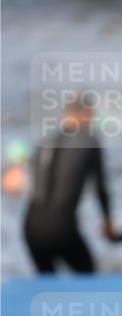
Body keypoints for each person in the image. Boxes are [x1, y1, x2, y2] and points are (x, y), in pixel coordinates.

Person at [23, 95, 113, 273]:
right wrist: (107, 221)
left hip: (30, 227)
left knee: (46, 285)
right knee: (89, 278)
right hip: (62, 228)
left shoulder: (45, 142)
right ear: (87, 113)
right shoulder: (90, 141)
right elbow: (100, 187)